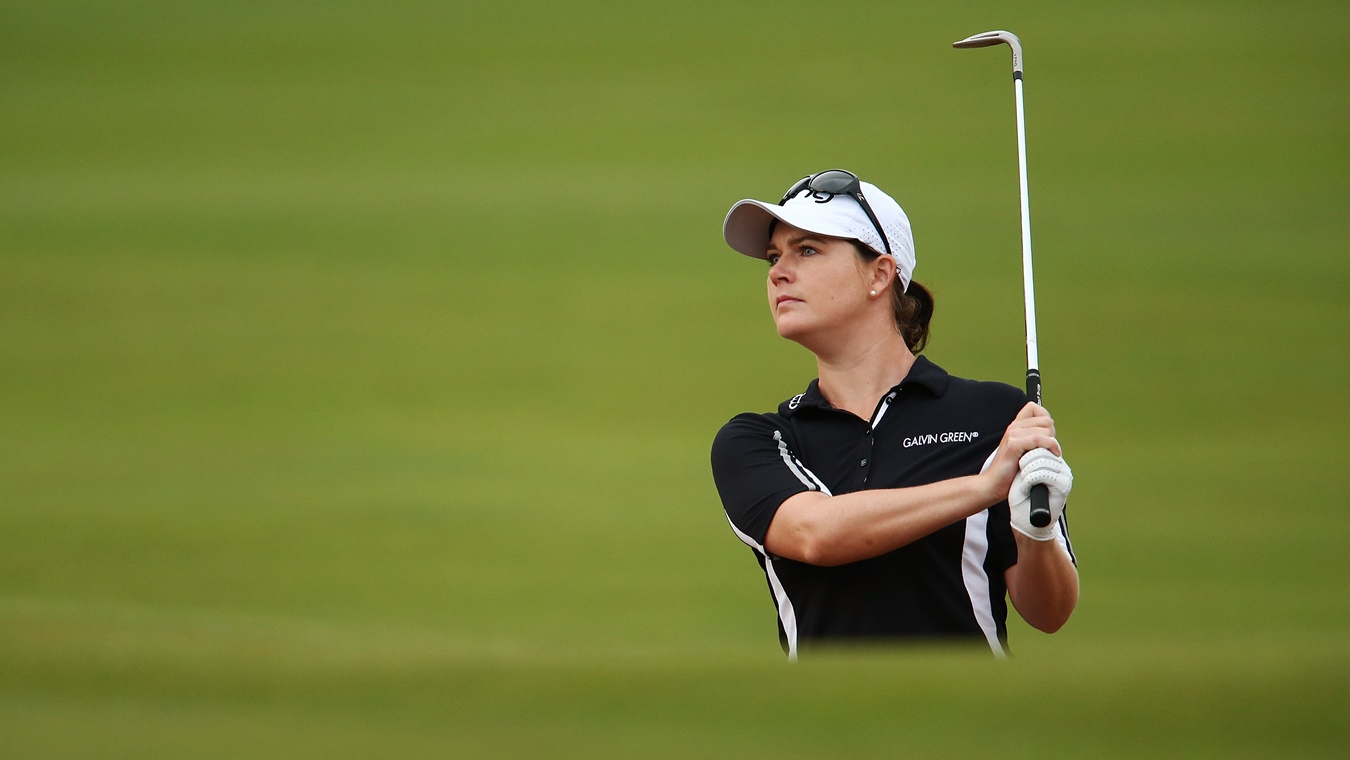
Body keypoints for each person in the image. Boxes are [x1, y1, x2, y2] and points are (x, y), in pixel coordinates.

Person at [711, 169, 1077, 659]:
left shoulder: (999, 417)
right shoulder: (759, 440)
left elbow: (1048, 612)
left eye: (808, 250)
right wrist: (983, 488)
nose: (778, 271)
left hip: (971, 723)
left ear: (879, 275)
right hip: (823, 730)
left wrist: (1037, 533)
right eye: (775, 256)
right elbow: (816, 535)